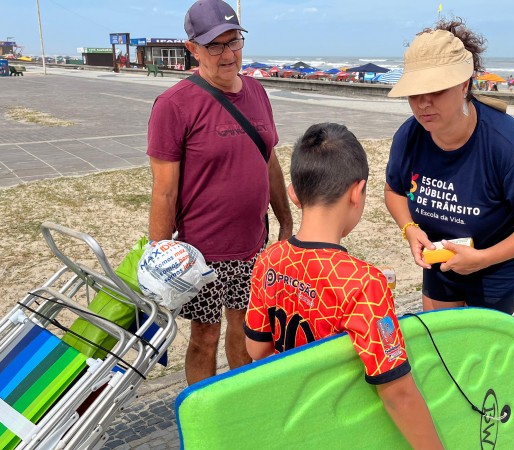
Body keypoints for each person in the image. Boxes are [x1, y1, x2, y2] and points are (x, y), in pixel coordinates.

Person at [245, 123, 443, 449]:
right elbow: (397, 391)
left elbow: (257, 350)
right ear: (357, 192)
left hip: (291, 420)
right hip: (341, 427)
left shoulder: (270, 258)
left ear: (294, 193)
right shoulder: (363, 283)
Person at [147, 0, 292, 385]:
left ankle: (240, 412)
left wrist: (287, 220)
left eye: (234, 42)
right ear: (193, 48)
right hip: (201, 254)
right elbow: (163, 191)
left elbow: (270, 160)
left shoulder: (258, 93)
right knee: (204, 338)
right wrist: (158, 259)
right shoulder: (173, 105)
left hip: (253, 245)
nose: (228, 54)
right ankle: (203, 414)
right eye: (215, 45)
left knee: (246, 331)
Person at [384, 19, 514, 315]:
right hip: (441, 257)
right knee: (442, 343)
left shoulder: (506, 144)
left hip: (497, 267)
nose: (423, 103)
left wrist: (483, 258)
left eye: (436, 89)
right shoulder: (409, 136)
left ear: (464, 84)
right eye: (415, 93)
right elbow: (394, 190)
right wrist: (409, 228)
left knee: (479, 352)